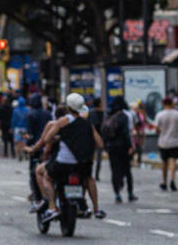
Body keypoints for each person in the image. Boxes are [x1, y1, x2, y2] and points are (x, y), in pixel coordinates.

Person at [29, 92, 103, 220]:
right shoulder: (87, 124)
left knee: (47, 177)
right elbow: (100, 144)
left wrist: (58, 137)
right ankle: (96, 209)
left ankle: (52, 208)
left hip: (62, 164)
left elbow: (47, 138)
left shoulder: (62, 122)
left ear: (68, 107)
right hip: (81, 164)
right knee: (89, 178)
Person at [102, 98, 136, 204]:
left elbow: (103, 132)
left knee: (114, 170)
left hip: (111, 147)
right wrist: (130, 146)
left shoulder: (108, 116)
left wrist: (106, 147)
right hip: (123, 147)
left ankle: (117, 194)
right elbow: (126, 133)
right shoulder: (123, 116)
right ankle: (130, 194)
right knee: (127, 170)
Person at [154, 94, 178, 192]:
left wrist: (162, 131)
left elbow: (156, 129)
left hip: (163, 142)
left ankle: (164, 182)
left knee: (164, 163)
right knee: (173, 162)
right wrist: (176, 130)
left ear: (163, 104)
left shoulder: (160, 114)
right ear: (172, 103)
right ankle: (172, 180)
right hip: (174, 141)